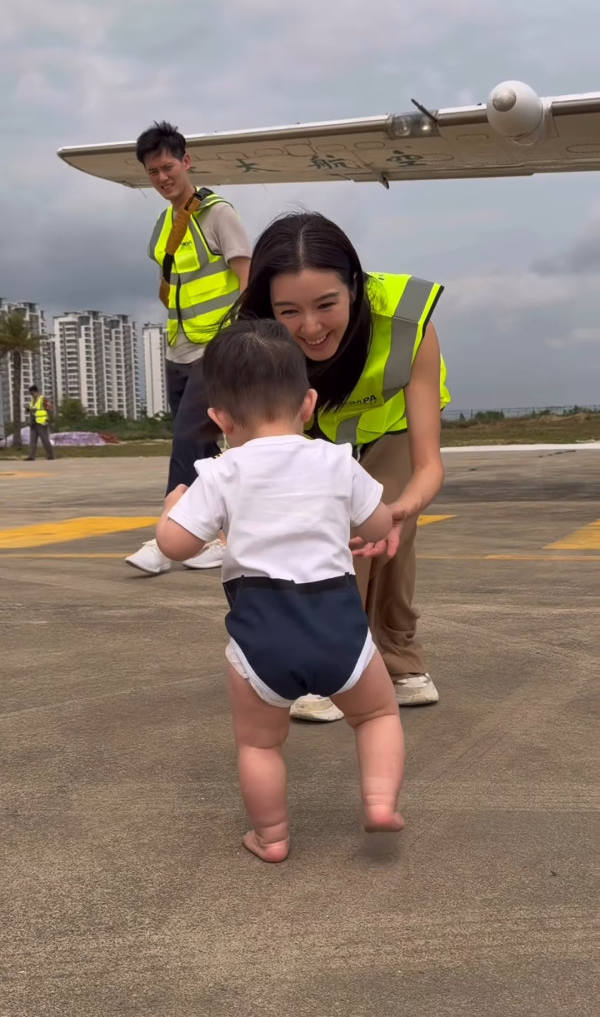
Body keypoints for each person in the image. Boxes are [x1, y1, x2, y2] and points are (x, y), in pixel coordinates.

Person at [156, 319, 405, 862]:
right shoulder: (336, 460)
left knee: (260, 743)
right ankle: (381, 802)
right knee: (378, 716)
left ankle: (271, 836)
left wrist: (173, 509)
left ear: (218, 418)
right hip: (338, 623)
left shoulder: (220, 472)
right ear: (309, 404)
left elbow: (175, 546)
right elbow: (379, 526)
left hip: (261, 632)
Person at [229, 211, 450, 718]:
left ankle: (398, 657)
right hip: (314, 434)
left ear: (354, 285)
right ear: (268, 308)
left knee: (388, 528)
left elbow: (428, 465)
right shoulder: (256, 341)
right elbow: (248, 448)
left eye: (326, 304)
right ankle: (327, 664)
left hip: (393, 427)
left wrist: (401, 511)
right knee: (321, 533)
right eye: (289, 312)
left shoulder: (407, 318)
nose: (309, 327)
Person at [126, 120, 252, 576]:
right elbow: (171, 286)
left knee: (186, 438)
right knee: (204, 447)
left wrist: (237, 336)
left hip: (216, 348)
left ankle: (168, 538)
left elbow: (247, 276)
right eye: (152, 173)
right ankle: (209, 540)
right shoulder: (165, 225)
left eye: (167, 167)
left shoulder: (217, 214)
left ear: (186, 162)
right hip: (179, 349)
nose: (162, 178)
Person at [25, 385, 54, 461]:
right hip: (33, 423)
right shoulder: (32, 400)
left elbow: (50, 408)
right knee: (32, 440)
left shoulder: (43, 399)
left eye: (33, 393)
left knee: (45, 440)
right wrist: (28, 409)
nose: (32, 395)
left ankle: (50, 455)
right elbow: (33, 408)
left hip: (41, 423)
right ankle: (31, 456)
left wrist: (48, 419)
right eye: (31, 394)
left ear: (36, 392)